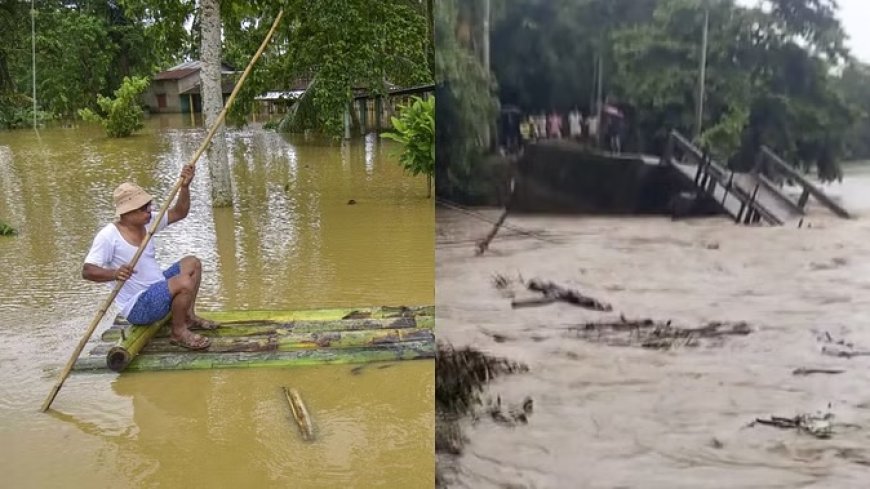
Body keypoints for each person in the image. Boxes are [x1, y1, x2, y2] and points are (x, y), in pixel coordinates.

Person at [82, 165, 216, 350]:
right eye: (143, 208)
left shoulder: (149, 221)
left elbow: (180, 212)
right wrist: (114, 273)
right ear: (127, 212)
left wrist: (185, 187)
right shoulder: (108, 236)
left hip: (157, 288)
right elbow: (87, 271)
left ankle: (188, 317)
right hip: (139, 306)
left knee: (192, 263)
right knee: (184, 282)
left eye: (148, 206)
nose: (149, 211)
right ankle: (178, 332)